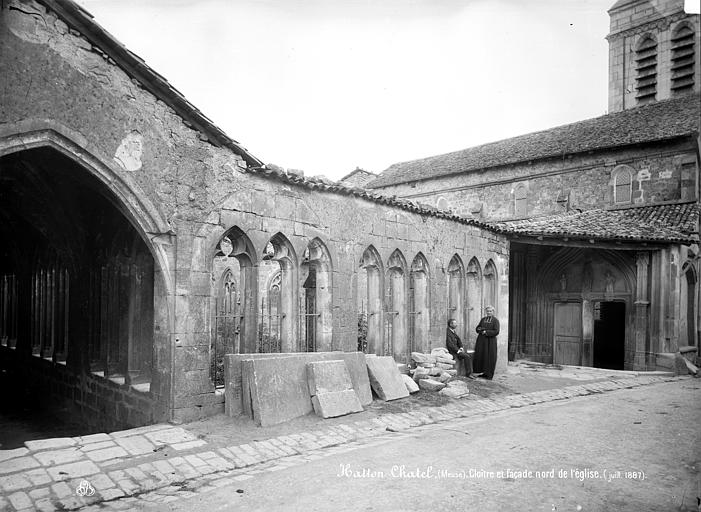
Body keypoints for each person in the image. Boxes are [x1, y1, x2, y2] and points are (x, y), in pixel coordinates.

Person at [473, 305, 499, 380]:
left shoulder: (495, 320)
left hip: (490, 341)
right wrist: (479, 329)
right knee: (482, 355)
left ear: (493, 312)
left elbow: (496, 331)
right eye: (487, 311)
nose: (489, 312)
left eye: (490, 311)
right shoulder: (483, 319)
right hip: (482, 340)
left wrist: (486, 332)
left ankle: (489, 375)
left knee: (490, 357)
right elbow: (478, 328)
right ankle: (484, 373)